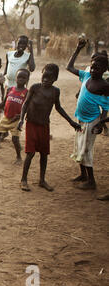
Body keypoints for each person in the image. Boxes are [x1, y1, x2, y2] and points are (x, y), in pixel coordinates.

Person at [17, 64, 81, 192]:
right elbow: (26, 104)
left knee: (44, 154)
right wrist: (21, 119)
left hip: (44, 125)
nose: (45, 79)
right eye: (44, 76)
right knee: (30, 153)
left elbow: (58, 108)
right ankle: (23, 179)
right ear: (41, 74)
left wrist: (71, 122)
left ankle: (42, 180)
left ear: (55, 78)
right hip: (31, 124)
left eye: (49, 78)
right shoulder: (35, 88)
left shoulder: (55, 91)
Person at [66, 39, 109, 190]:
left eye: (97, 68)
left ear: (104, 70)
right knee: (78, 146)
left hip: (92, 121)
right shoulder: (86, 76)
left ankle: (92, 181)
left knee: (86, 149)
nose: (93, 70)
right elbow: (69, 67)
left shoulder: (104, 86)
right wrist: (77, 49)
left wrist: (100, 124)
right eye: (92, 67)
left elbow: (105, 107)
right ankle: (83, 175)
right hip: (81, 118)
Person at [0, 69, 30, 163]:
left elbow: (28, 107)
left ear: (27, 80)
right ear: (15, 78)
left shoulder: (27, 92)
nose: (20, 79)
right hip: (6, 117)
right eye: (19, 77)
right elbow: (3, 103)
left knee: (15, 139)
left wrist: (20, 116)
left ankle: (19, 157)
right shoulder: (10, 89)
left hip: (16, 120)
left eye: (23, 78)